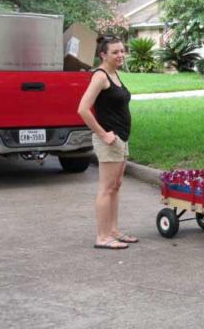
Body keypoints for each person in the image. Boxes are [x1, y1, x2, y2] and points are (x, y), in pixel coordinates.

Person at [78, 35, 138, 250]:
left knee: (115, 186)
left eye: (122, 51)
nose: (120, 55)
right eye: (115, 52)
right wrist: (104, 135)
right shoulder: (100, 76)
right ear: (103, 54)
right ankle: (102, 237)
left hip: (121, 138)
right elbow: (83, 109)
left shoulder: (114, 74)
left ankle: (113, 231)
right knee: (106, 188)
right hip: (110, 141)